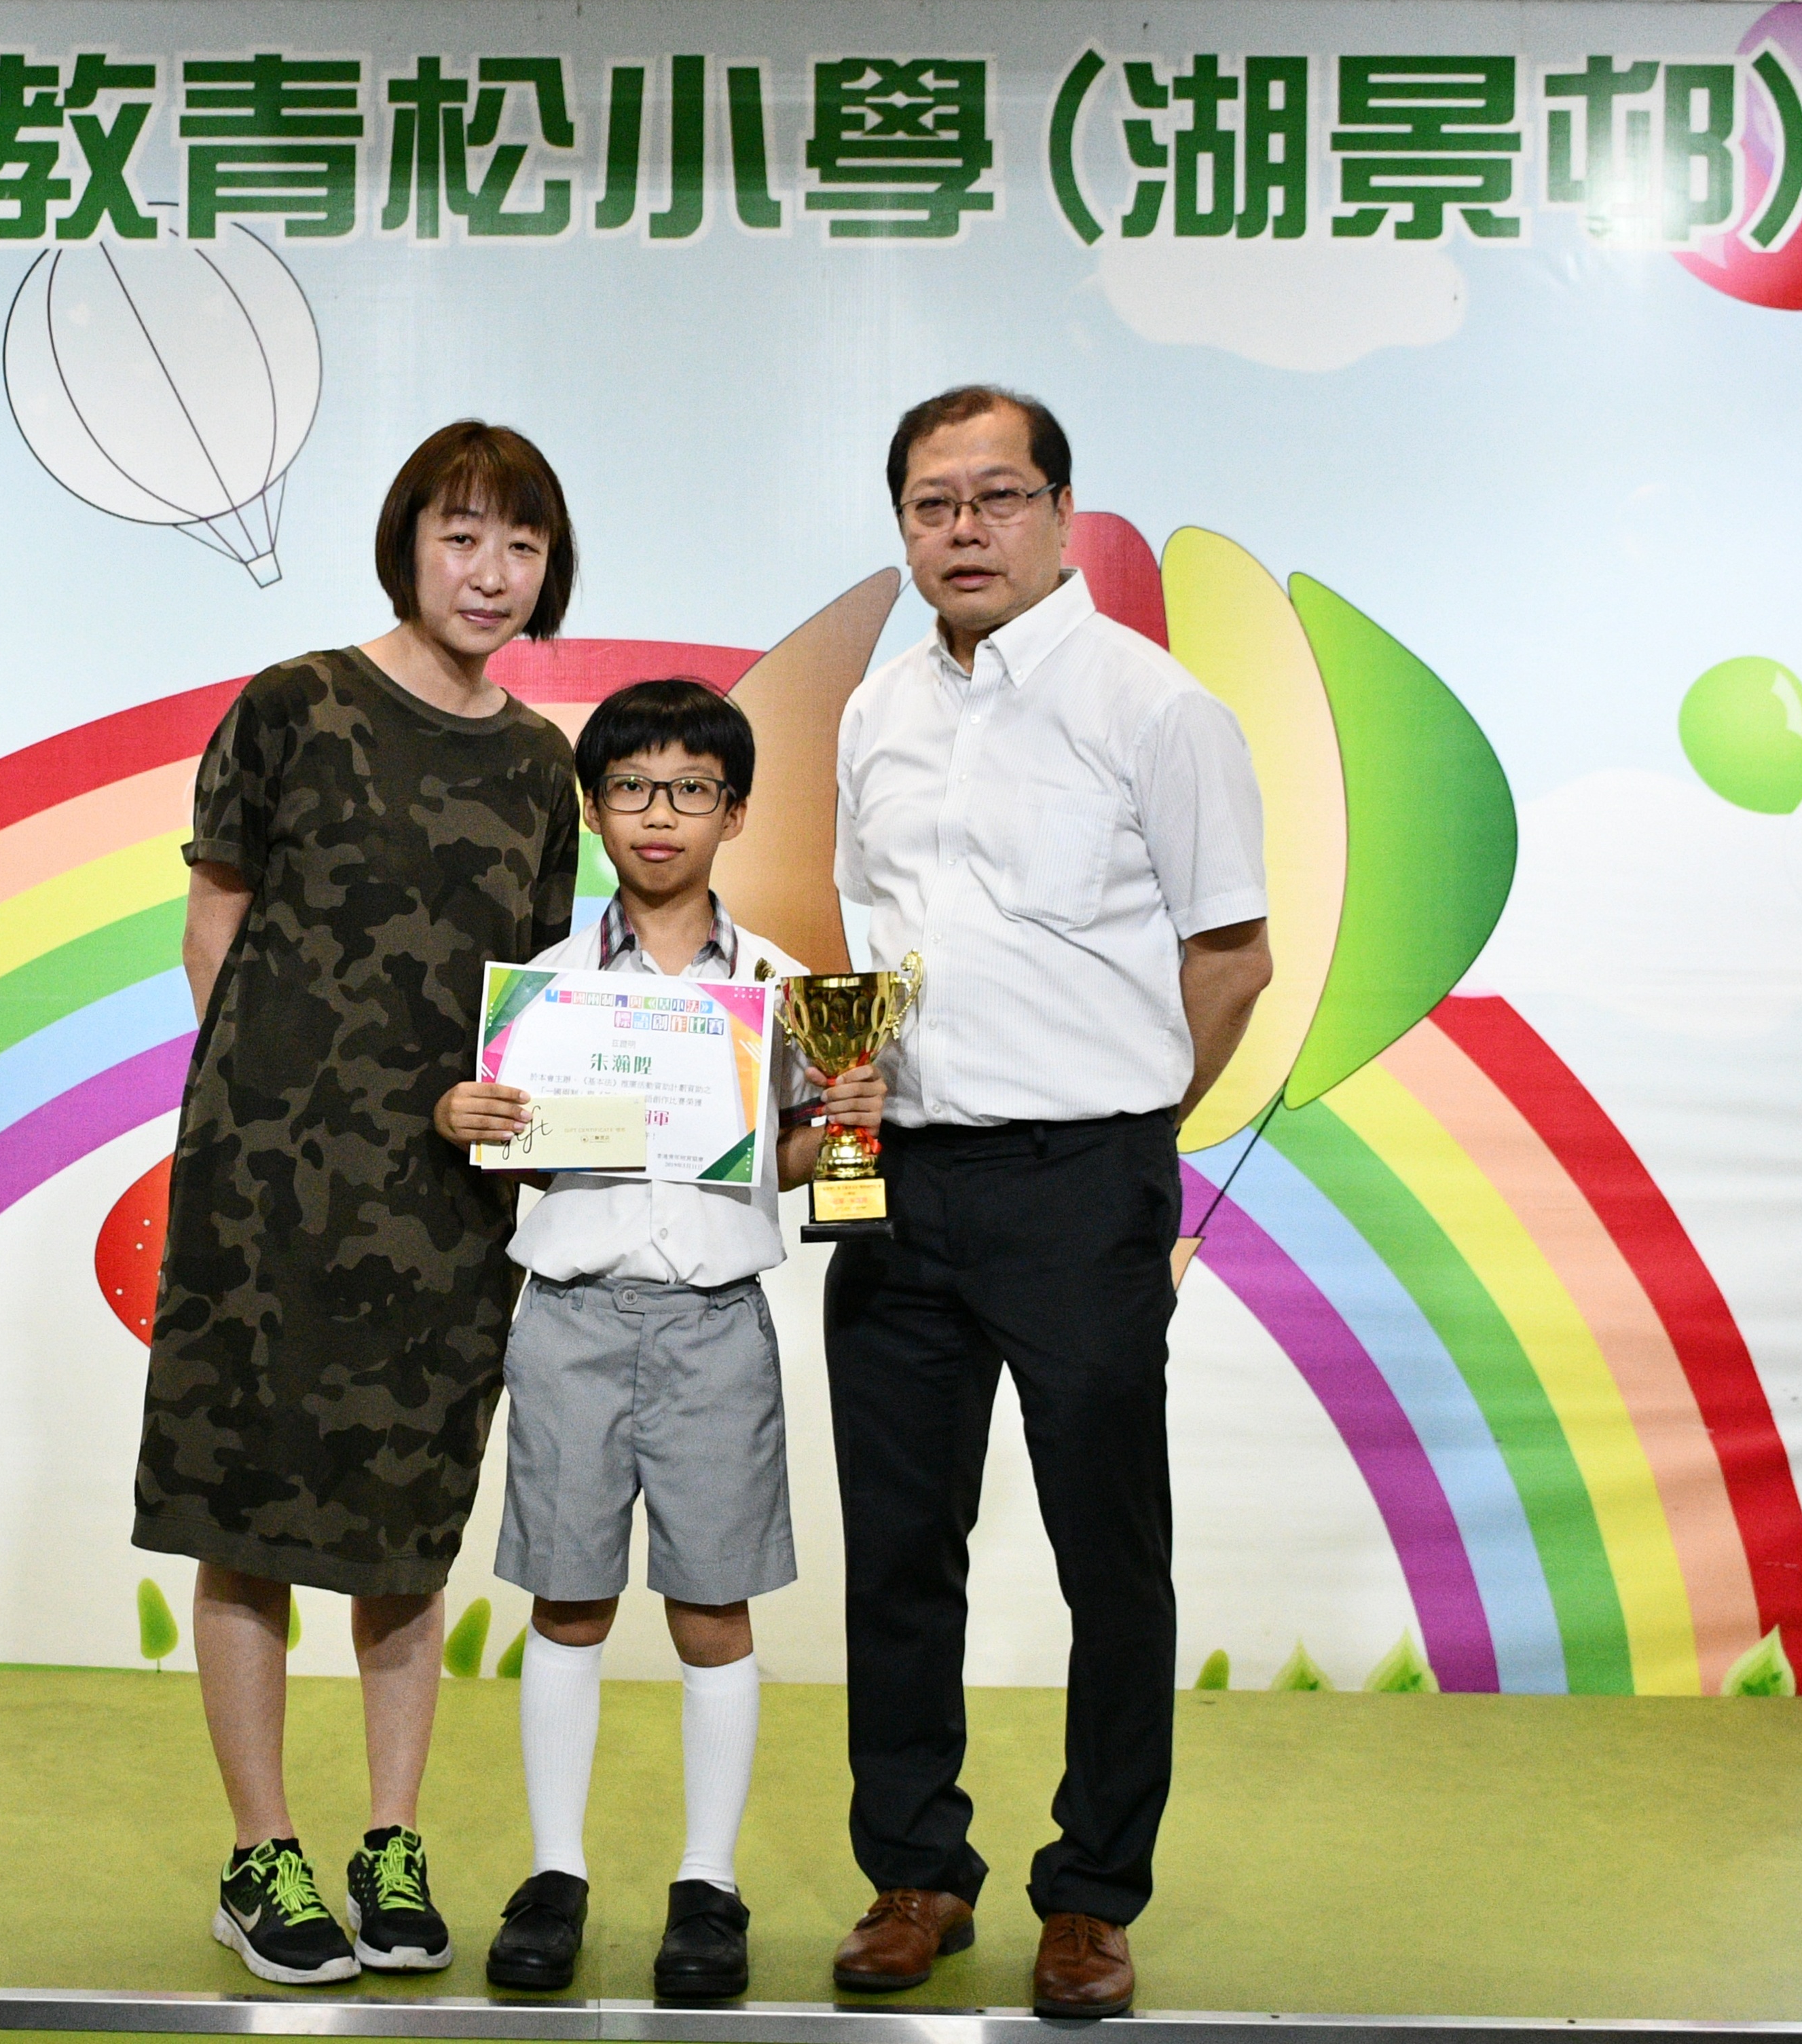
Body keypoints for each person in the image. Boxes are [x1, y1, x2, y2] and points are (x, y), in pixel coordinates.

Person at [824, 386, 1272, 2018]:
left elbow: (1233, 957)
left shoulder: (1156, 707)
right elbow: (864, 946)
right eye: (932, 503)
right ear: (903, 526)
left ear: (1062, 513)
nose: (965, 529)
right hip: (894, 1178)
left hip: (1083, 1179)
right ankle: (914, 1871)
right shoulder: (875, 711)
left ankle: (1091, 1891)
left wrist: (1132, 1130)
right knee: (897, 1549)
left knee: (1110, 1551)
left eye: (998, 495)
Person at [134, 421, 583, 1988]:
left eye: (521, 543)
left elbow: (528, 993)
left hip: (446, 1200)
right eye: (461, 534)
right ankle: (260, 1852)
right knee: (242, 1511)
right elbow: (215, 921)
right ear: (406, 543)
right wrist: (259, 1125)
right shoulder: (296, 705)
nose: (489, 571)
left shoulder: (539, 766)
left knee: (406, 1524)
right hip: (266, 1189)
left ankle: (391, 1838)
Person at [450, 680, 885, 2002]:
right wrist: (472, 1118)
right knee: (566, 1598)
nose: (660, 813)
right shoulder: (548, 986)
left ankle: (709, 1883)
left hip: (715, 1324)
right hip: (569, 1316)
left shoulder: (787, 988)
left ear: (733, 811)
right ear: (594, 810)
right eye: (632, 787)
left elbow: (797, 1160)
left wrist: (846, 1118)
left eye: (691, 788)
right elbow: (526, 1153)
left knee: (712, 1607)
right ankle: (555, 1873)